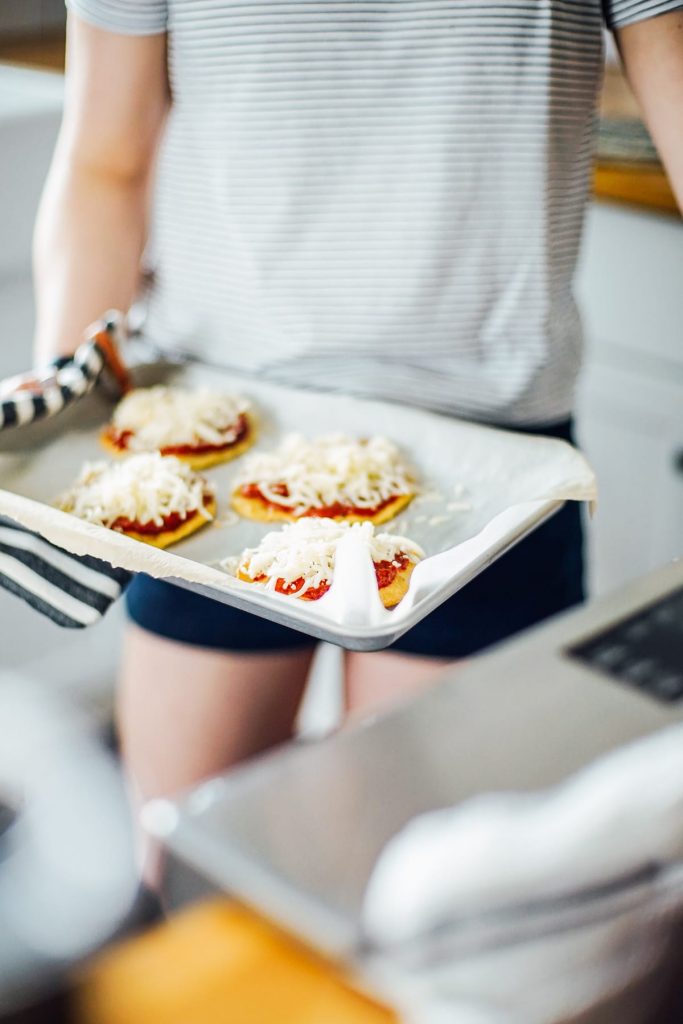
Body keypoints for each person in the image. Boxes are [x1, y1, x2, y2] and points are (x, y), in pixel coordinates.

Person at [34, 1, 682, 881]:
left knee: (416, 889)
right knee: (186, 870)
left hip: (489, 463)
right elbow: (107, 160)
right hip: (216, 448)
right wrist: (70, 411)